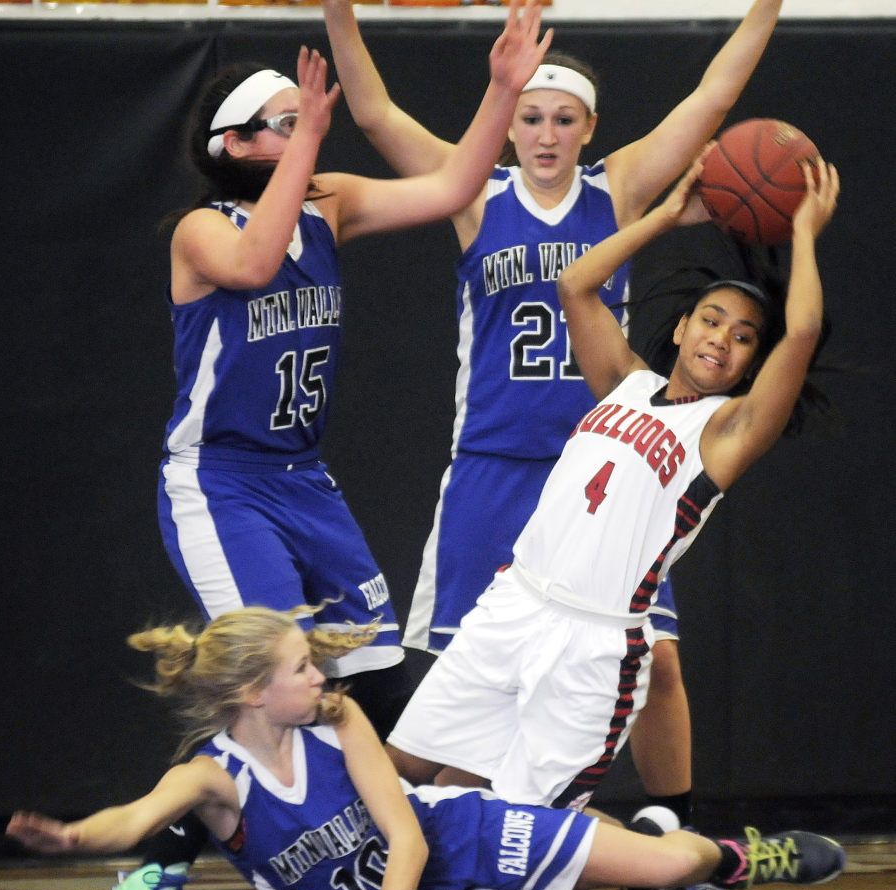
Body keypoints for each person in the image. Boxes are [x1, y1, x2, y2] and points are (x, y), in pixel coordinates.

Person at [106, 2, 554, 890]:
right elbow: (256, 262)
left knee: (373, 677)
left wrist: (504, 88)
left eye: (301, 117)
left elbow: (455, 185)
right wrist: (310, 137)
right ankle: (152, 876)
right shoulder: (202, 228)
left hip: (304, 479)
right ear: (236, 145)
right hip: (220, 483)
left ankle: (322, 887)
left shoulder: (332, 201)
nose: (304, 126)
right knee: (266, 677)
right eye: (280, 120)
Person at [321, 0, 785, 822]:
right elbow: (374, 112)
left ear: (589, 127)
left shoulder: (622, 185)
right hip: (492, 466)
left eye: (563, 118)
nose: (544, 133)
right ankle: (428, 834)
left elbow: (711, 99)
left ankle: (671, 828)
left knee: (661, 661)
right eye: (530, 116)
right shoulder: (472, 191)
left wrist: (768, 7)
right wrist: (338, 14)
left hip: (610, 472)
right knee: (455, 670)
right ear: (508, 127)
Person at [7, 606, 845, 890]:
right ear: (255, 693)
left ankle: (734, 855)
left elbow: (406, 838)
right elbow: (136, 815)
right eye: (301, 666)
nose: (319, 672)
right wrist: (78, 837)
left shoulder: (338, 720)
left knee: (661, 856)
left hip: (449, 841)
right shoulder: (215, 776)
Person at [387, 153, 839, 816]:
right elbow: (576, 284)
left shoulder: (725, 431)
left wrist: (801, 232)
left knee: (520, 824)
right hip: (514, 604)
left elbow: (801, 332)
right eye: (711, 320)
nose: (722, 339)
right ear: (681, 328)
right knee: (408, 772)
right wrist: (664, 218)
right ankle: (670, 852)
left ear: (750, 366)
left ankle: (694, 863)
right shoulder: (624, 381)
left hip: (595, 642)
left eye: (743, 338)